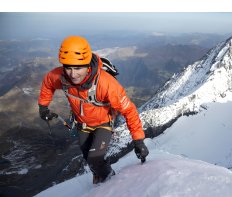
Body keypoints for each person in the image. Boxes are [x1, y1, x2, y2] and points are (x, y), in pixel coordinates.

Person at [38, 35, 149, 184]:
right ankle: (100, 174)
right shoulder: (61, 76)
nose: (72, 74)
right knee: (89, 159)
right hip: (82, 124)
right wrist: (43, 106)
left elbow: (129, 110)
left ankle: (111, 182)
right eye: (68, 68)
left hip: (103, 123)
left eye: (78, 68)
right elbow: (48, 83)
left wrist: (138, 140)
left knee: (94, 157)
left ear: (87, 65)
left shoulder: (106, 84)